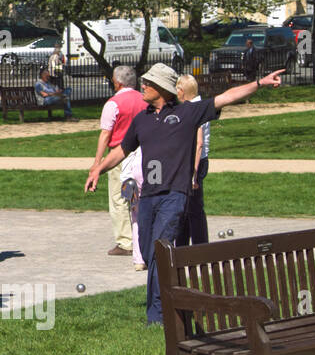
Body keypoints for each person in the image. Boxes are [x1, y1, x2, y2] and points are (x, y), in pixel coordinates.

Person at [86, 63, 284, 323]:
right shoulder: (142, 119)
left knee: (159, 252)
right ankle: (179, 301)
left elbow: (228, 96)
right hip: (148, 197)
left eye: (148, 83)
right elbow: (122, 150)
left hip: (174, 195)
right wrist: (98, 169)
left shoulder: (187, 113)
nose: (143, 86)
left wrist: (260, 83)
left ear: (162, 89)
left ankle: (159, 316)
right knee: (148, 253)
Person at [93, 65, 147, 260]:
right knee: (139, 196)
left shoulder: (113, 103)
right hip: (143, 152)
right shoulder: (145, 99)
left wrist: (98, 162)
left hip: (119, 154)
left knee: (119, 197)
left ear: (117, 82)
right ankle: (141, 236)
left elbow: (105, 134)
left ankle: (126, 241)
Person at [175, 73, 210, 246]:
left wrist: (193, 173)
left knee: (194, 207)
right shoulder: (196, 106)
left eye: (177, 90)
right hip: (191, 161)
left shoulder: (196, 110)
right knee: (187, 206)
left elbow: (199, 144)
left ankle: (200, 245)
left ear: (182, 91)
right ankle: (183, 244)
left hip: (195, 162)